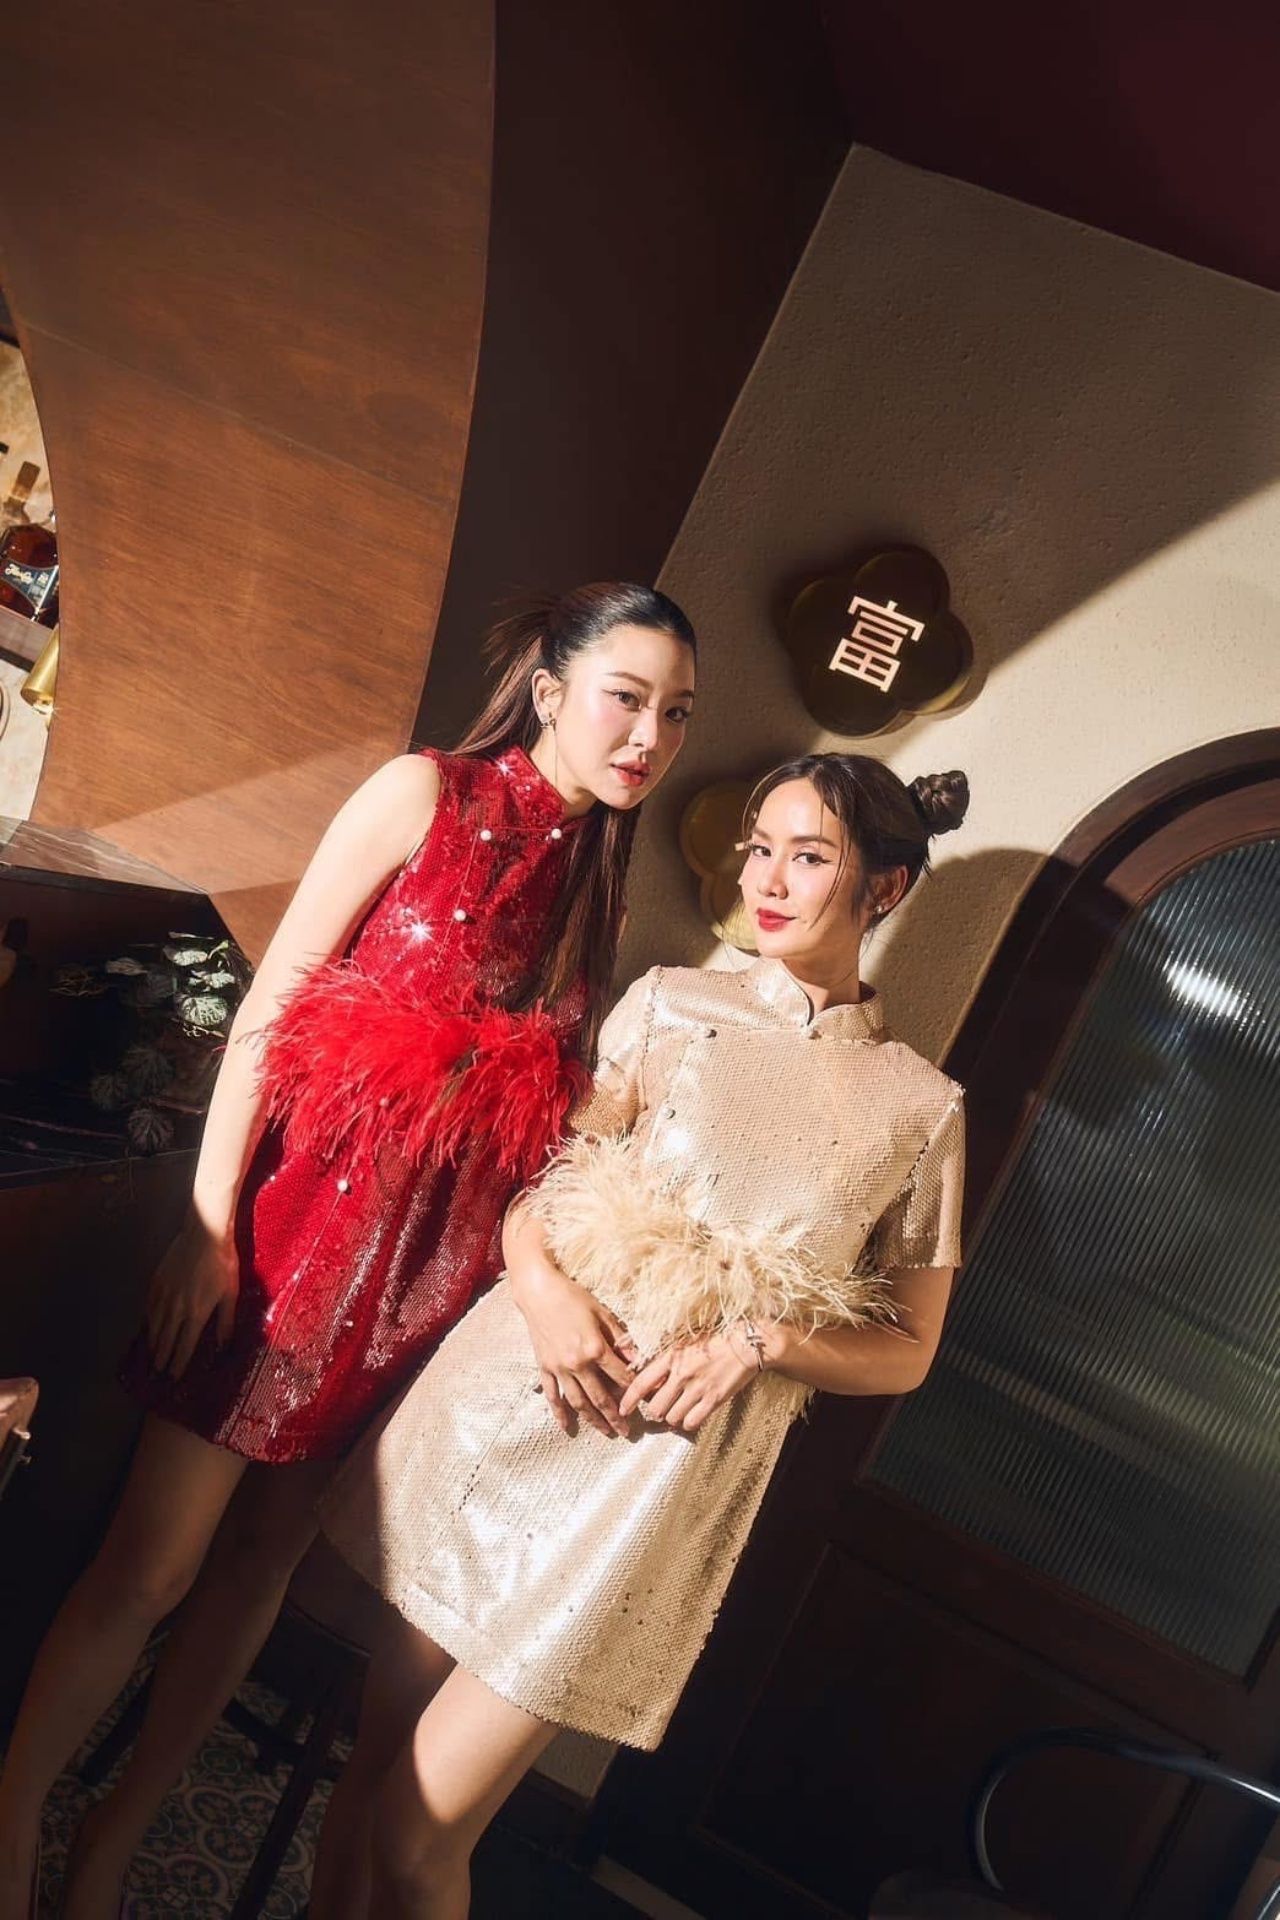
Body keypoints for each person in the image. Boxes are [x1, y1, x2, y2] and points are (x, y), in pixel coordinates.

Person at [0, 582, 698, 1920]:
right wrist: (209, 1227)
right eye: (628, 698)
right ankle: (16, 1814)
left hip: (423, 1290)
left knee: (256, 1573)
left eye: (675, 714)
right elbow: (273, 1004)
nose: (649, 736)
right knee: (151, 1566)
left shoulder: (594, 881)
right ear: (550, 690)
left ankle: (111, 1845)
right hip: (289, 1244)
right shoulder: (420, 792)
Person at [308, 750, 970, 1920]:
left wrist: (760, 1342)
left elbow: (906, 1349)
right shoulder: (671, 1002)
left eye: (807, 857)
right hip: (512, 1405)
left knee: (417, 1831)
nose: (765, 881)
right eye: (758, 849)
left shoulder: (919, 1110)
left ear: (885, 887)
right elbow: (541, 1192)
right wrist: (542, 1291)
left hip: (640, 1493)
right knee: (368, 1778)